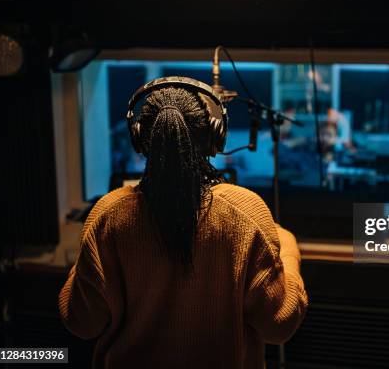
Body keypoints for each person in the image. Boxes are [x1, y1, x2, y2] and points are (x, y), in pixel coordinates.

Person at [58, 83, 308, 368]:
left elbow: (81, 322)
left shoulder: (108, 214)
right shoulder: (245, 211)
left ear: (139, 137)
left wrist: (90, 248)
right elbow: (279, 326)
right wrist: (288, 248)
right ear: (217, 136)